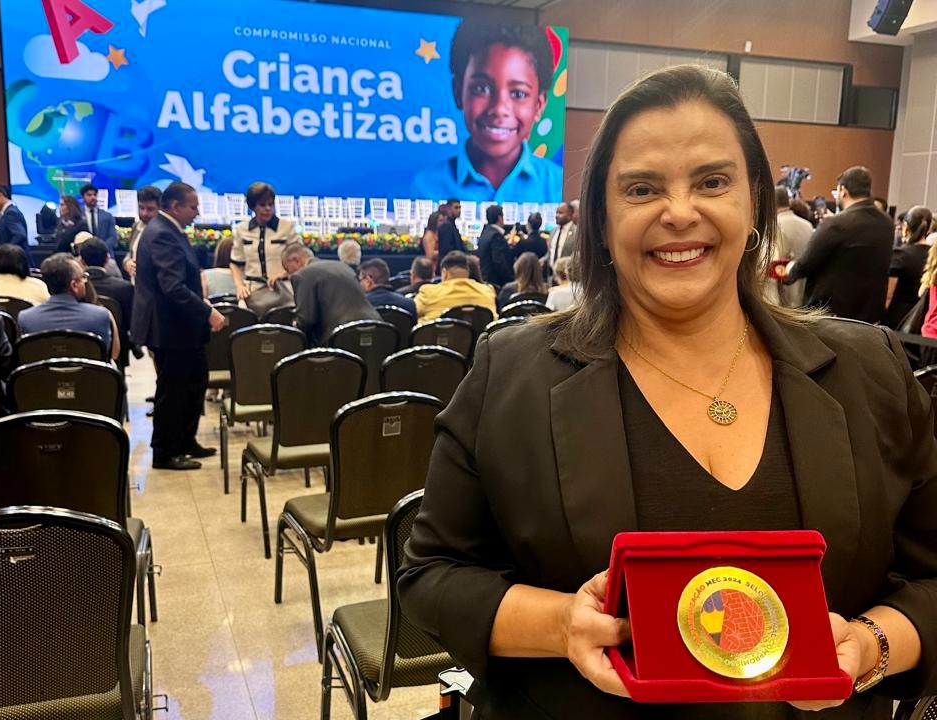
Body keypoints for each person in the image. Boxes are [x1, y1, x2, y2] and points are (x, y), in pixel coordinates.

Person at [398, 65, 937, 719]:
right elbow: (430, 575)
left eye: (711, 182)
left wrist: (873, 644)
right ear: (602, 217)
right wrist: (562, 624)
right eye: (642, 188)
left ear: (754, 201)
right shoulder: (511, 376)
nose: (679, 212)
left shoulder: (871, 373)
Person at [132, 182, 227, 471]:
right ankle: (165, 451)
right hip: (169, 327)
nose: (197, 213)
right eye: (193, 207)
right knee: (173, 390)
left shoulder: (169, 230)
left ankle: (186, 440)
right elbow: (172, 287)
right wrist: (208, 312)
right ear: (175, 206)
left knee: (195, 381)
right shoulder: (162, 233)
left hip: (182, 327)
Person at [410, 23, 561, 203]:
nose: (499, 109)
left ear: (539, 105)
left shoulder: (556, 186)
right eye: (481, 88)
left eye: (518, 94)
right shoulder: (427, 186)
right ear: (458, 93)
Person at [784, 167, 893, 323]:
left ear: (843, 191)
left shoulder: (836, 224)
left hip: (834, 316)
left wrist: (790, 269)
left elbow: (807, 263)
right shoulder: (887, 223)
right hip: (870, 316)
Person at [283, 243, 380, 346]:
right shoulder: (343, 267)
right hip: (376, 329)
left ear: (296, 260)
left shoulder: (303, 275)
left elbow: (306, 320)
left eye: (287, 269)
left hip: (342, 337)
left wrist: (294, 326)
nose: (289, 275)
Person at [18, 253, 113, 353]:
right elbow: (105, 355)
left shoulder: (25, 318)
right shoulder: (100, 316)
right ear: (74, 285)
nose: (85, 281)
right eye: (83, 277)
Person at [229, 181, 297, 315]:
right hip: (252, 292)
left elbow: (301, 260)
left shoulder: (287, 227)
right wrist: (239, 285)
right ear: (252, 207)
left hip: (283, 290)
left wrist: (283, 273)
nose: (268, 209)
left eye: (271, 204)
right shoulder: (242, 229)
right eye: (262, 205)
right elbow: (235, 263)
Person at [79, 236, 134, 366]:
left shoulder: (77, 289)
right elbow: (130, 322)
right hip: (118, 349)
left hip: (82, 343)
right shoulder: (124, 287)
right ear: (107, 259)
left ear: (82, 260)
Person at [765, 187, 815, 308]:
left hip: (783, 298)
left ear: (770, 203)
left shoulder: (772, 226)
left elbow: (774, 265)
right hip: (807, 295)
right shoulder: (808, 225)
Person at [414, 250, 496, 323]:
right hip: (479, 335)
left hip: (437, 335)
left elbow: (412, 314)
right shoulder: (488, 291)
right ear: (467, 271)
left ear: (445, 273)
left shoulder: (428, 292)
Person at [885, 206, 933, 329]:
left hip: (898, 320)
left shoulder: (899, 255)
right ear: (928, 228)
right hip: (923, 320)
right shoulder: (933, 256)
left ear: (905, 226)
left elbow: (888, 297)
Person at [124, 186, 162, 282]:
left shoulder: (164, 231)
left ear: (160, 208)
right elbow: (130, 253)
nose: (144, 213)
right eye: (141, 208)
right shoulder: (136, 226)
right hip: (135, 285)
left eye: (150, 209)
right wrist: (127, 262)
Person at [0, 184, 30, 260]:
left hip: (16, 261)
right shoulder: (6, 213)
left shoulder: (11, 213)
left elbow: (19, 235)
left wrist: (4, 253)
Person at [477, 205, 514, 287]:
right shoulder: (496, 236)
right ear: (500, 218)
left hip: (486, 280)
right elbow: (499, 262)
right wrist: (510, 279)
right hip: (496, 283)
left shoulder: (485, 233)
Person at [80, 183, 118, 251]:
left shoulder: (108, 216)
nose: (93, 197)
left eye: (95, 195)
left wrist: (101, 248)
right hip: (83, 252)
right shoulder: (78, 215)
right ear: (83, 197)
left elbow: (113, 237)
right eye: (89, 195)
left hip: (105, 252)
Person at [546, 201, 577, 274]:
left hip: (567, 275)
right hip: (551, 275)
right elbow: (551, 251)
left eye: (560, 213)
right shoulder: (553, 231)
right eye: (556, 213)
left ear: (569, 215)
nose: (556, 215)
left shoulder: (577, 232)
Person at [436, 199, 465, 268]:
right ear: (448, 209)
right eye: (456, 208)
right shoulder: (446, 226)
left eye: (460, 207)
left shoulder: (451, 225)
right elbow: (446, 250)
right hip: (450, 266)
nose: (459, 210)